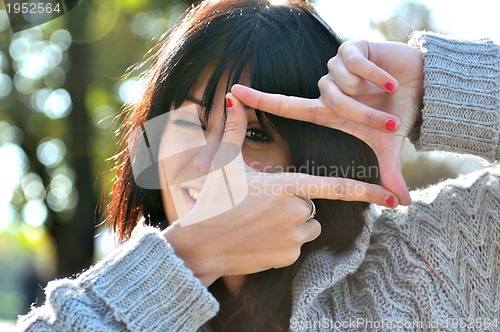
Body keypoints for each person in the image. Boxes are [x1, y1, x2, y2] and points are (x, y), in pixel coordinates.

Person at [17, 1, 499, 331]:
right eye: (189, 121)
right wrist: (187, 260)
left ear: (316, 153)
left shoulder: (434, 258)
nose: (210, 162)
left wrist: (432, 84)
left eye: (254, 134)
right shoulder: (122, 297)